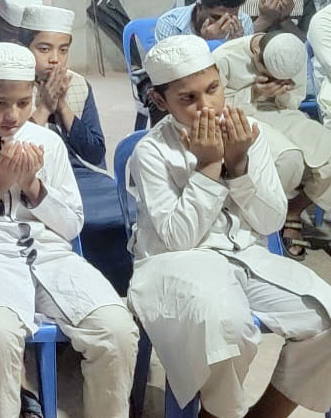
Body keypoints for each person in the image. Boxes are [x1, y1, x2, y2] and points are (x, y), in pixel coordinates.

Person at [0, 42, 138, 417]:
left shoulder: (49, 144)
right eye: (0, 103)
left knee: (117, 330)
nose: (12, 115)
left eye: (24, 103)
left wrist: (33, 187)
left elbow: (71, 225)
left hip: (52, 258)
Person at [128, 34, 331, 417]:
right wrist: (208, 167)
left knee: (326, 316)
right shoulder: (152, 151)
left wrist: (238, 165)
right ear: (160, 101)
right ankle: (217, 413)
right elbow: (178, 239)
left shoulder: (249, 135)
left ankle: (263, 414)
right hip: (176, 263)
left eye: (212, 89)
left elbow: (270, 221)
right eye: (188, 98)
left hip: (246, 257)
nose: (207, 106)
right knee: (228, 328)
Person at [20, 5, 132, 292]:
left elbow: (95, 152)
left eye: (63, 50)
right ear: (24, 48)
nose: (55, 59)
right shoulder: (11, 88)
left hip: (82, 173)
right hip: (33, 180)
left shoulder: (79, 85)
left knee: (129, 212)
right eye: (44, 49)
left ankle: (120, 289)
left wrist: (63, 107)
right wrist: (43, 108)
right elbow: (14, 151)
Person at [213, 31, 331, 260]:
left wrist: (282, 94)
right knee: (290, 159)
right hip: (239, 115)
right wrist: (254, 92)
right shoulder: (225, 57)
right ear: (256, 51)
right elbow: (213, 106)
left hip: (279, 112)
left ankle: (292, 210)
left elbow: (294, 103)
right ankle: (260, 219)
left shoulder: (293, 53)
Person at [154, 0, 254, 42]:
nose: (225, 24)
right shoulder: (169, 23)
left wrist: (236, 45)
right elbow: (172, 66)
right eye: (216, 17)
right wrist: (208, 42)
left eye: (232, 17)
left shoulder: (243, 22)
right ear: (199, 7)